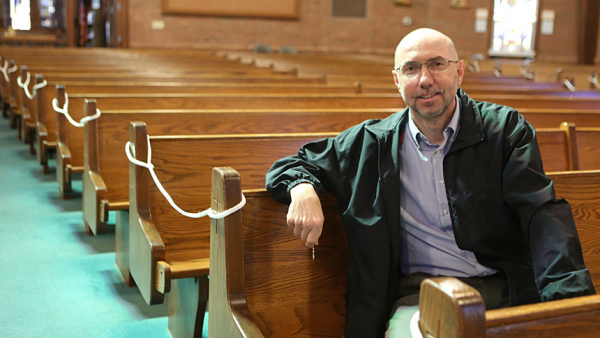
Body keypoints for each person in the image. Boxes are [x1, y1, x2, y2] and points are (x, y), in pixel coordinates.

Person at [265, 28, 595, 338]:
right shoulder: (369, 144)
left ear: (459, 71)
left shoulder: (504, 130)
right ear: (397, 80)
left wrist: (568, 306)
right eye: (411, 69)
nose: (425, 80)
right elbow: (291, 164)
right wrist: (302, 187)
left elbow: (541, 214)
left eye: (437, 64)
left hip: (504, 288)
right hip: (420, 295)